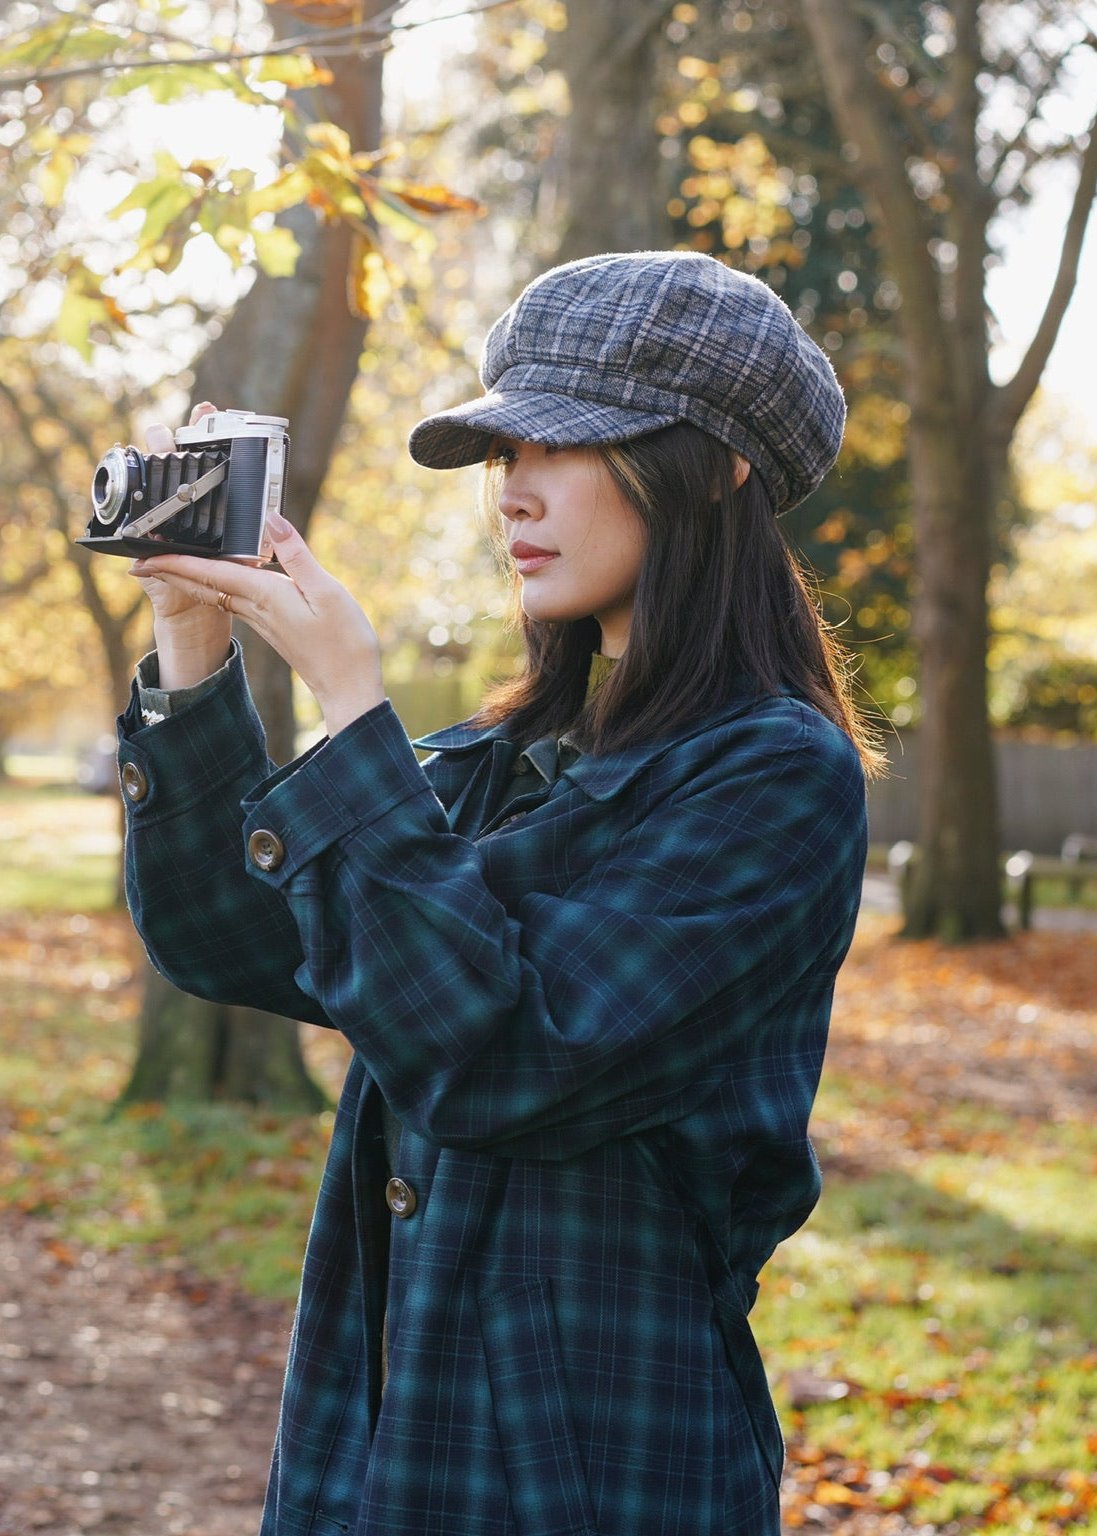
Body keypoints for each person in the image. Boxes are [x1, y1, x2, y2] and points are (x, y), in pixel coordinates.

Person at [118, 250, 876, 1536]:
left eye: (562, 449)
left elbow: (501, 1058)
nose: (513, 493)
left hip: (585, 1460)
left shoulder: (771, 776)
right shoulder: (493, 760)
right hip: (376, 1437)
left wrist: (352, 705)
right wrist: (196, 653)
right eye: (499, 454)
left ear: (719, 464)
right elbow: (227, 938)